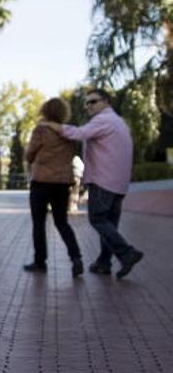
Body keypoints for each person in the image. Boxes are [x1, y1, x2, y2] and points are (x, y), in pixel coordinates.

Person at [41, 89, 144, 279]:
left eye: (93, 102)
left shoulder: (103, 120)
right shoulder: (118, 121)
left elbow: (78, 133)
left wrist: (51, 125)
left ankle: (126, 252)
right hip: (119, 183)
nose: (88, 106)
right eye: (86, 103)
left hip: (103, 180)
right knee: (109, 224)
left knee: (97, 219)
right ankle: (104, 263)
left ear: (106, 102)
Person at [23, 98, 83, 276]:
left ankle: (40, 261)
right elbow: (73, 153)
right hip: (62, 182)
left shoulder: (41, 130)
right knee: (62, 222)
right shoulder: (69, 133)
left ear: (45, 111)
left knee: (39, 223)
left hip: (41, 181)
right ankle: (76, 257)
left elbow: (29, 154)